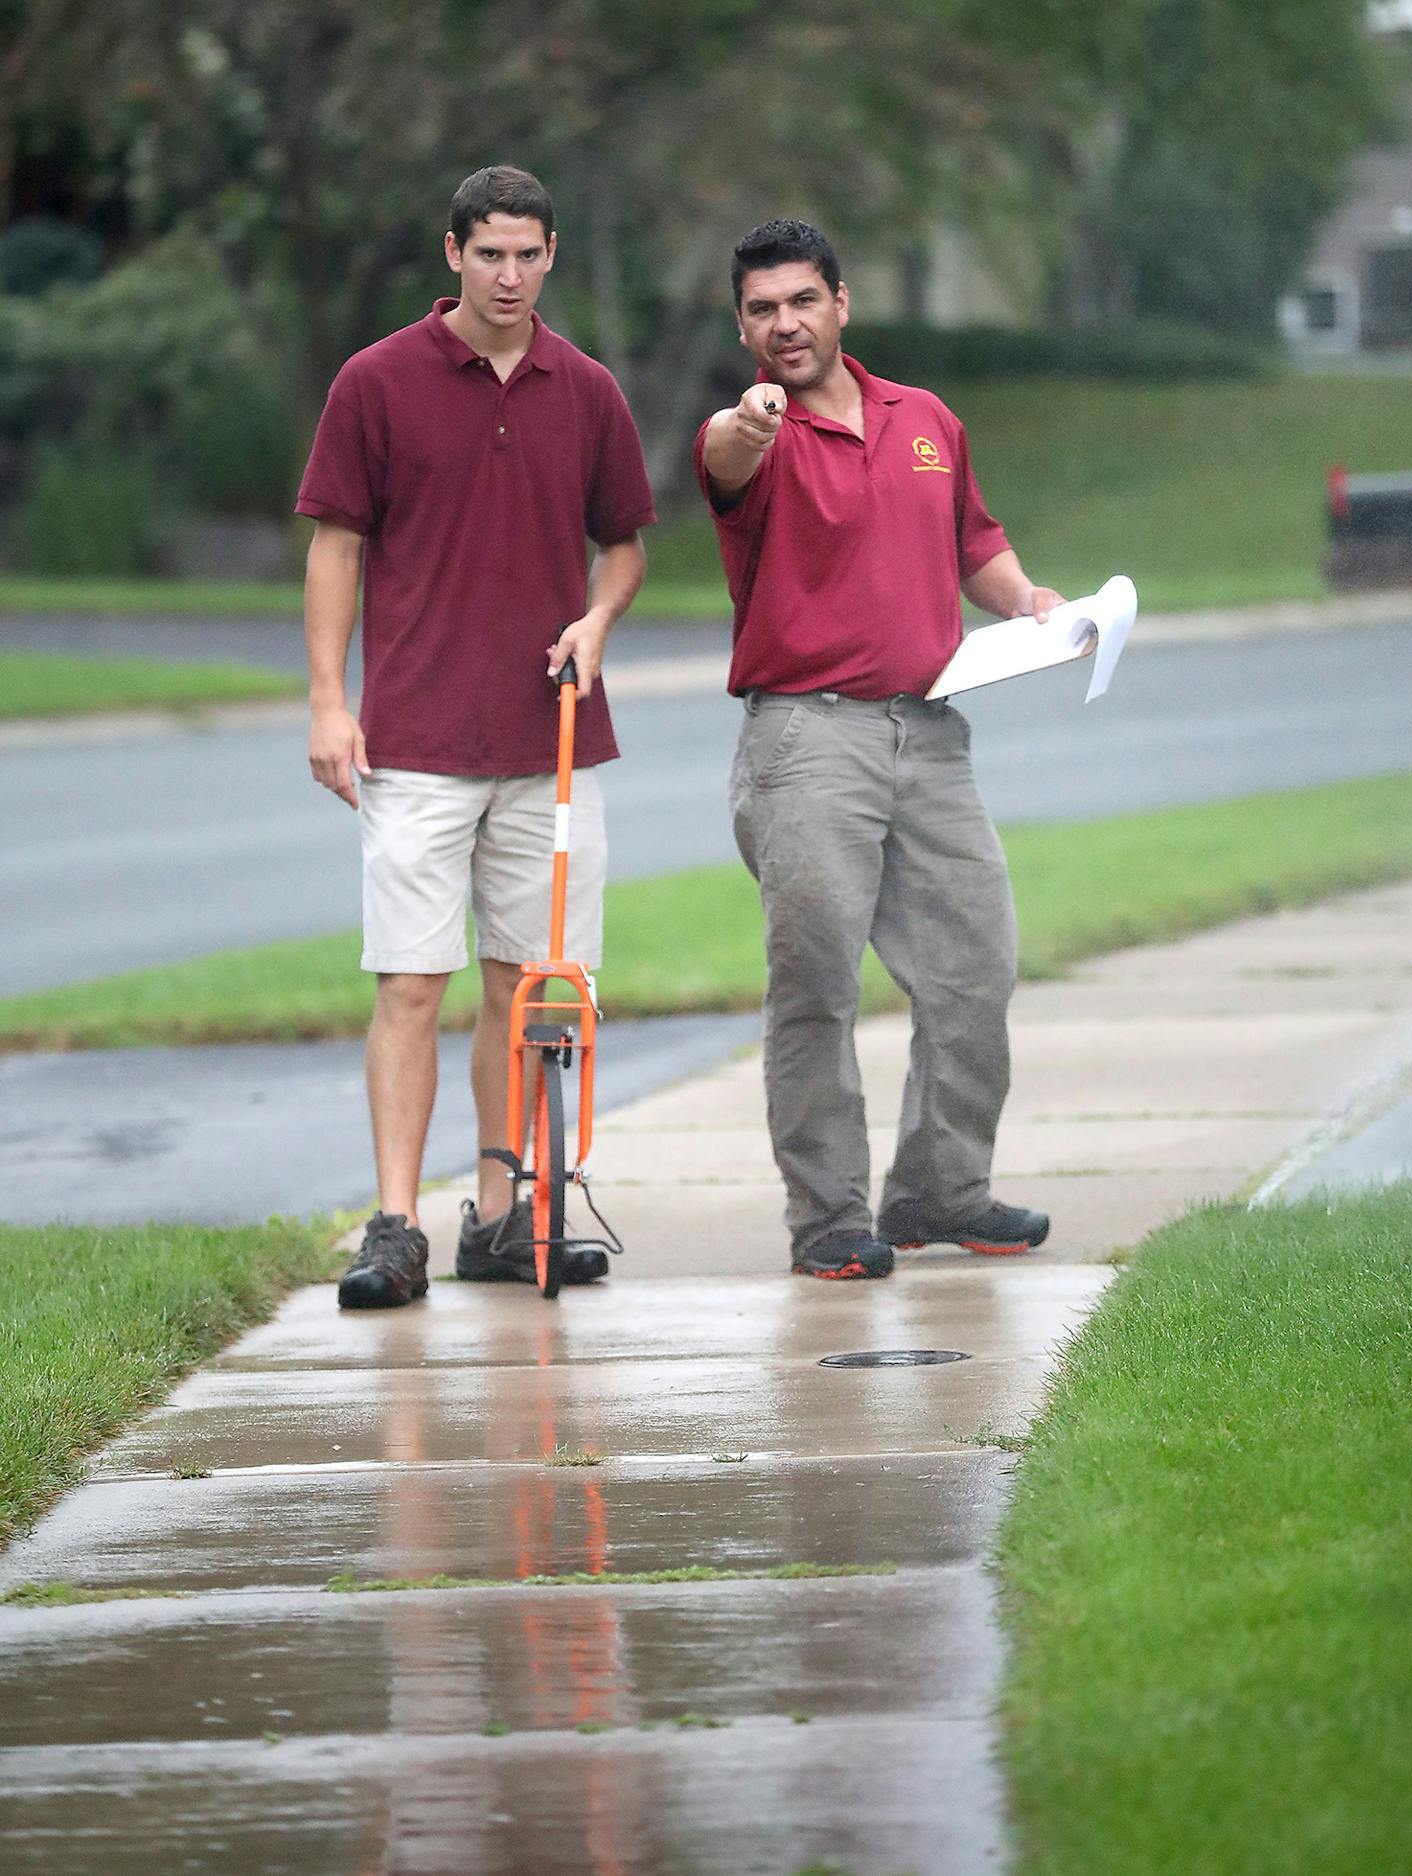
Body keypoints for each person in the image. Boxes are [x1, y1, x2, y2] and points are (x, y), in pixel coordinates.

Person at [297, 165, 655, 1309]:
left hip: (548, 738)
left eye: (528, 253)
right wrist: (325, 701)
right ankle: (395, 1225)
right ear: (452, 253)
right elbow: (336, 548)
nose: (509, 274)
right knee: (410, 982)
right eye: (488, 252)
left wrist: (598, 619)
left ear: (552, 256)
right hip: (413, 736)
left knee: (524, 985)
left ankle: (501, 1223)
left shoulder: (587, 388)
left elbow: (625, 544)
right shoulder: (377, 382)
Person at [695, 218, 1062, 1281]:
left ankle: (937, 1191)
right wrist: (748, 417)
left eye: (800, 301)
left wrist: (1026, 599)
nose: (783, 324)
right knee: (816, 983)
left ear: (840, 302)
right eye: (760, 310)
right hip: (806, 740)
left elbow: (972, 541)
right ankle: (827, 1218)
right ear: (743, 326)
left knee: (974, 966)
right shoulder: (751, 437)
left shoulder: (923, 419)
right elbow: (720, 454)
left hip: (932, 731)